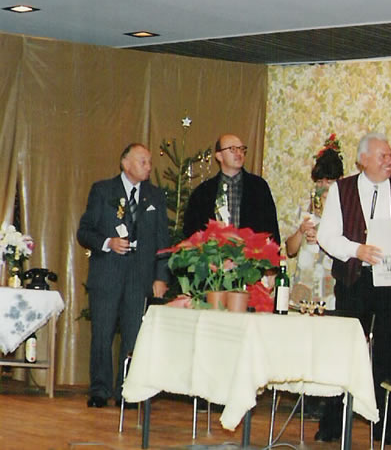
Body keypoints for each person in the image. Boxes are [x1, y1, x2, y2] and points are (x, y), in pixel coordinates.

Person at [315, 132, 391, 445]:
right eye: (383, 156)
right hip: (354, 279)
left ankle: (385, 427)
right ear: (363, 159)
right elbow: (327, 236)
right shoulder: (342, 189)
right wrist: (357, 250)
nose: (390, 161)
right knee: (344, 351)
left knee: (389, 356)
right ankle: (332, 424)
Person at [77, 143, 170, 408]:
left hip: (140, 275)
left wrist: (161, 277)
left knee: (133, 335)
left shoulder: (154, 196)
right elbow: (84, 232)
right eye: (143, 161)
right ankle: (99, 390)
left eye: (150, 162)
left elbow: (163, 240)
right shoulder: (103, 190)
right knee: (102, 333)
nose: (148, 167)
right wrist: (108, 242)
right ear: (125, 163)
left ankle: (126, 391)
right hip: (107, 272)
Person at [183, 133, 280, 243]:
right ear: (219, 156)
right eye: (232, 149)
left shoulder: (258, 187)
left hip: (251, 252)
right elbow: (191, 232)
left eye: (242, 149)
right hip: (214, 253)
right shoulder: (203, 192)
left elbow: (271, 230)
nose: (239, 153)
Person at [285, 135, 344, 310]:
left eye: (329, 181)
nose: (323, 186)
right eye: (319, 181)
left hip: (330, 286)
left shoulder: (345, 212)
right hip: (303, 283)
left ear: (340, 181)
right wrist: (301, 231)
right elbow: (290, 250)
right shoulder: (305, 209)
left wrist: (322, 237)